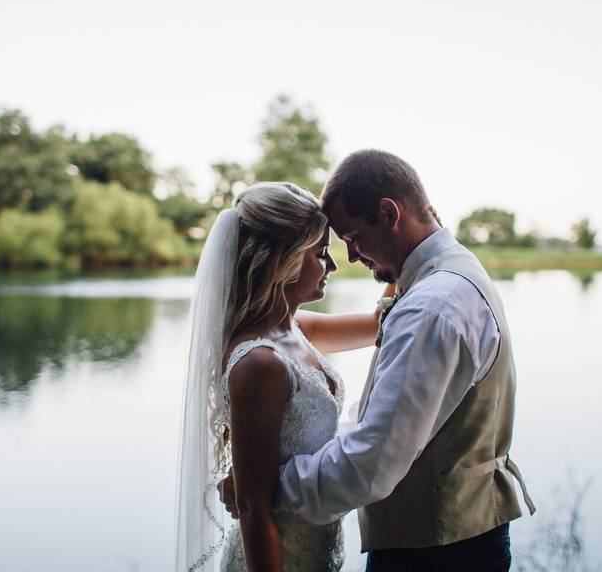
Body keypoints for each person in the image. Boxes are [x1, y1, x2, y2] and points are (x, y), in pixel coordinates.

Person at [225, 150, 535, 571]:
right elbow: (384, 421)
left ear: (390, 214)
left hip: (438, 553)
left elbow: (373, 462)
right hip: (451, 538)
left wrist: (267, 487)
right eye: (326, 248)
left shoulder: (432, 305)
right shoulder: (450, 273)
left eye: (351, 237)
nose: (348, 257)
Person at [177, 181, 388, 572]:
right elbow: (253, 508)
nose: (333, 266)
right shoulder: (260, 362)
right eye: (321, 254)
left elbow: (380, 323)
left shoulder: (297, 328)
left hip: (317, 551)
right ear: (284, 259)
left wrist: (404, 251)